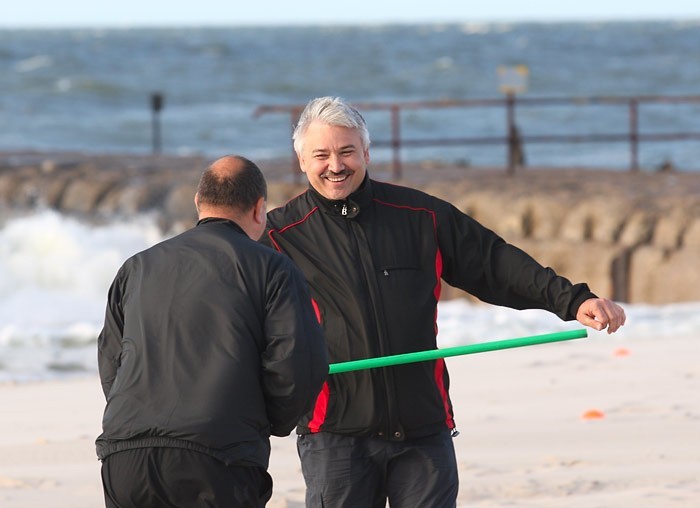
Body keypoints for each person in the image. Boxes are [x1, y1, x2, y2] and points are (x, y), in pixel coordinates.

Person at [261, 97, 626, 507]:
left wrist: (574, 300)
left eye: (347, 151)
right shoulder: (277, 236)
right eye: (321, 155)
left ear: (366, 152)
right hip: (335, 434)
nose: (336, 165)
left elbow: (495, 264)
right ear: (301, 161)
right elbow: (238, 319)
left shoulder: (420, 215)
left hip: (423, 429)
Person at [96, 155, 328, 508]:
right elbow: (298, 364)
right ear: (259, 209)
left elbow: (112, 363)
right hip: (220, 454)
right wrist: (269, 422)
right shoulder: (273, 268)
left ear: (198, 203)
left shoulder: (137, 266)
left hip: (126, 452)